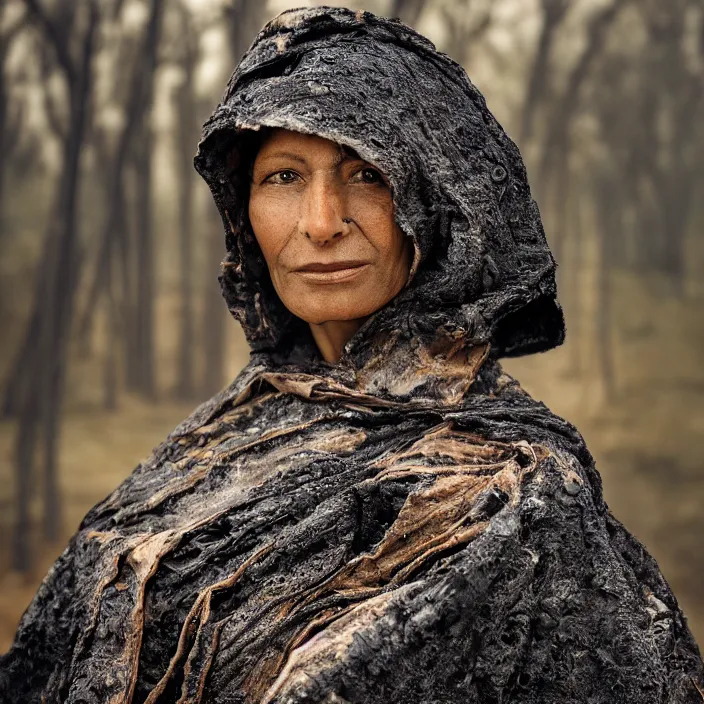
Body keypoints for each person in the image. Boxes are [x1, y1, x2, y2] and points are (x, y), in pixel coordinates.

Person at [1, 6, 702, 703]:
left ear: (434, 200)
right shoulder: (222, 438)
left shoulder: (522, 493)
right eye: (283, 177)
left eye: (367, 173)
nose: (321, 223)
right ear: (243, 210)